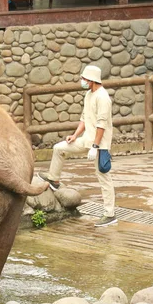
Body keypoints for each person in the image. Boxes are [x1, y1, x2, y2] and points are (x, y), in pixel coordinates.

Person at [37, 65, 117, 227]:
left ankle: (110, 214)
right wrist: (74, 135)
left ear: (92, 80)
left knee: (104, 177)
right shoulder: (89, 94)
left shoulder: (102, 98)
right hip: (86, 139)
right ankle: (54, 179)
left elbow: (102, 125)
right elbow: (84, 118)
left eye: (85, 79)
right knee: (59, 148)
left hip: (99, 144)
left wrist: (95, 146)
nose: (82, 81)